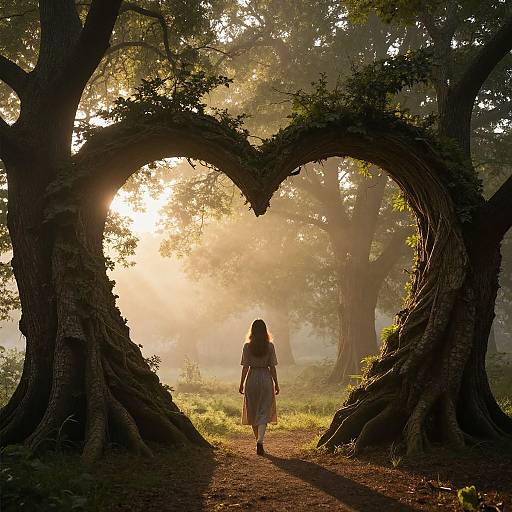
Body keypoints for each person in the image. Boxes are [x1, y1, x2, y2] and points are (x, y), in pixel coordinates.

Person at [239, 318, 279, 455]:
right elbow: (272, 367)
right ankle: (260, 441)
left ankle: (258, 440)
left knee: (253, 410)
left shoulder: (247, 346)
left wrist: (241, 383)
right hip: (266, 378)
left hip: (252, 378)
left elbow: (245, 367)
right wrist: (276, 383)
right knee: (263, 411)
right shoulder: (270, 346)